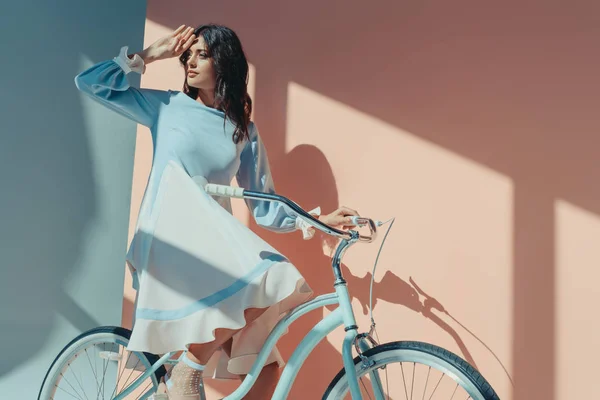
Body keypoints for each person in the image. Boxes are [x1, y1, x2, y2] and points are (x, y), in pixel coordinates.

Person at [74, 24, 359, 400]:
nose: (190, 60)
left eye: (202, 54)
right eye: (188, 54)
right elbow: (89, 83)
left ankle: (180, 377)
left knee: (268, 371)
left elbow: (266, 208)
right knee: (273, 277)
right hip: (171, 236)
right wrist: (149, 55)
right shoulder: (167, 106)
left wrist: (317, 220)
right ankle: (187, 371)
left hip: (213, 246)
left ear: (225, 63)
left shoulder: (242, 131)